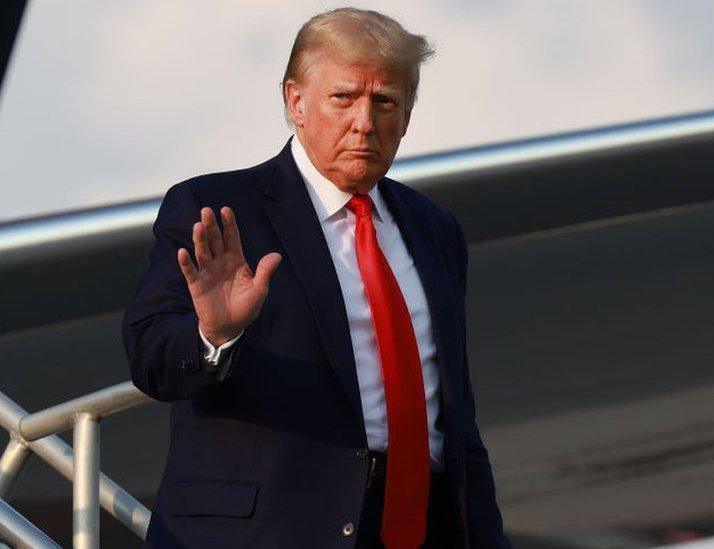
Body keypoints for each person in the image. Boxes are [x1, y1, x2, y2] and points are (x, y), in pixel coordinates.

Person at [122, 7, 511, 548]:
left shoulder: (435, 230)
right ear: (295, 101)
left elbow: (454, 421)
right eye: (343, 97)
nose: (365, 122)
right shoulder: (216, 208)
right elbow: (150, 360)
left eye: (386, 102)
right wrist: (214, 336)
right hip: (271, 530)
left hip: (416, 528)